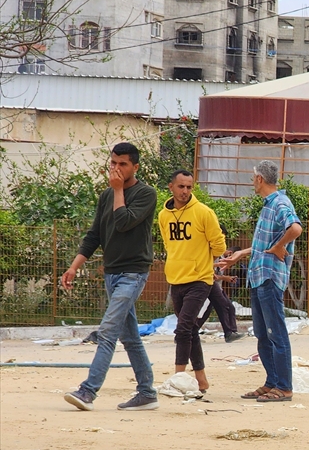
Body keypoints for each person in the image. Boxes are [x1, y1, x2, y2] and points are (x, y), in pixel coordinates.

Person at [61, 142, 160, 412]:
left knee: (107, 332)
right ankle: (147, 392)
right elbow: (96, 234)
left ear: (135, 167)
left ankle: (88, 391)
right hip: (112, 273)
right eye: (113, 163)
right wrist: (74, 266)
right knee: (130, 337)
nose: (116, 169)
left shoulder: (145, 194)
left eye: (123, 164)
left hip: (133, 273)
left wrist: (118, 190)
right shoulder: (107, 195)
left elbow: (124, 222)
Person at [216, 161, 302, 403]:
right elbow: (264, 242)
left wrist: (279, 246)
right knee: (263, 334)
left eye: (253, 177)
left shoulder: (280, 203)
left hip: (269, 276)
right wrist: (242, 254)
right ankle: (272, 382)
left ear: (260, 179)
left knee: (276, 333)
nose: (251, 181)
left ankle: (284, 387)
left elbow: (295, 228)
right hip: (258, 276)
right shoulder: (269, 205)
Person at [158, 169, 226, 394]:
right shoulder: (163, 216)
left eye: (189, 187)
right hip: (176, 279)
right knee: (191, 331)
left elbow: (219, 246)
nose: (185, 191)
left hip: (200, 279)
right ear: (171, 187)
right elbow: (168, 244)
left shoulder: (204, 212)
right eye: (181, 186)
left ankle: (178, 377)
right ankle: (202, 380)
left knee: (183, 328)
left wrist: (202, 259)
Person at [199, 273, 245, 342]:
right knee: (220, 307)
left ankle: (231, 332)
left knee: (228, 307)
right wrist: (224, 277)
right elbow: (209, 271)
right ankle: (189, 333)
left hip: (214, 285)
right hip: (208, 283)